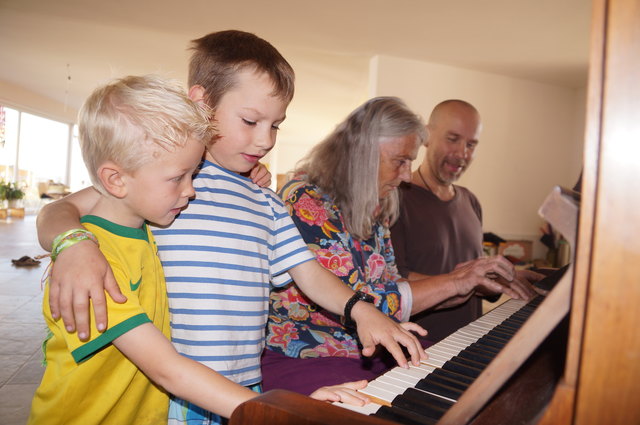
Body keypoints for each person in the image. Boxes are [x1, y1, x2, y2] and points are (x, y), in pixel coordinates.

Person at [35, 31, 427, 425]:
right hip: (176, 394)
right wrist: (74, 244)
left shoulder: (261, 199)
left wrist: (360, 310)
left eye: (276, 125)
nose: (265, 139)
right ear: (202, 104)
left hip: (243, 385)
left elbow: (308, 272)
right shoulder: (162, 180)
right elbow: (62, 209)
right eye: (251, 120)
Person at [261, 96, 532, 395]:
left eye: (410, 162)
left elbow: (392, 285)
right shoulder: (307, 200)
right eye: (400, 161)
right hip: (309, 356)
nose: (406, 176)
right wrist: (456, 282)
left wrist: (467, 282)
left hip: (366, 353)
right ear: (362, 154)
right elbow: (363, 302)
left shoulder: (376, 206)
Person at [390, 99, 541, 342]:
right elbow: (393, 283)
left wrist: (501, 278)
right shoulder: (395, 197)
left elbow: (472, 273)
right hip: (417, 351)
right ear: (426, 136)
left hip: (466, 348)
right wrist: (467, 281)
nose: (462, 154)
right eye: (452, 139)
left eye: (471, 144)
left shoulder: (471, 201)